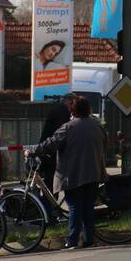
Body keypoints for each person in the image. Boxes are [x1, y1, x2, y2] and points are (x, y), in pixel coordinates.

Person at [28, 96, 106, 249]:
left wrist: (31, 151)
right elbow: (105, 144)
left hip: (73, 174)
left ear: (73, 110)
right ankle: (89, 239)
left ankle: (72, 240)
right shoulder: (97, 126)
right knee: (87, 207)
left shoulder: (68, 127)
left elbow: (51, 143)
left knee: (74, 207)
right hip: (93, 173)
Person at [38, 93, 76, 205]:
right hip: (52, 155)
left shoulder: (59, 111)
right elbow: (60, 137)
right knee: (51, 186)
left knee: (51, 186)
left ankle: (50, 212)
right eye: (73, 104)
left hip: (49, 153)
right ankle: (49, 214)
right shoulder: (62, 113)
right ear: (69, 102)